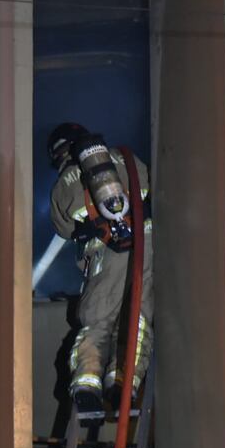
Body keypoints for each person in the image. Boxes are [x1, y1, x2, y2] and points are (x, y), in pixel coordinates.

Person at [47, 122, 154, 415]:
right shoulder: (125, 158)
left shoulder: (65, 181)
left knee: (97, 320)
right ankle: (123, 381)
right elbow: (149, 185)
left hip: (105, 253)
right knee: (138, 317)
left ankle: (86, 382)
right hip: (146, 246)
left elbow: (64, 228)